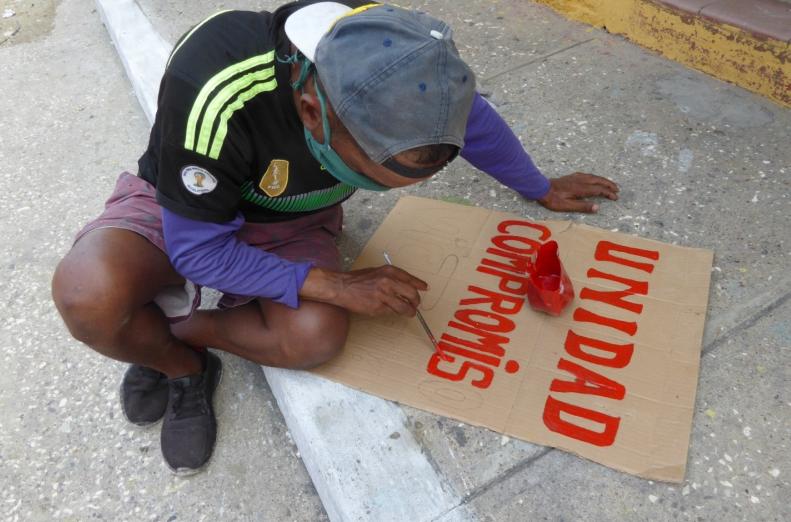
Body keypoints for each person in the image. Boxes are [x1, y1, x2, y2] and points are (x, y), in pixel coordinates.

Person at [52, 0, 619, 475]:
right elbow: (198, 249)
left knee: (314, 339)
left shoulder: (409, 73)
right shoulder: (214, 82)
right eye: (366, 175)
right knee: (90, 298)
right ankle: (183, 368)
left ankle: (172, 326)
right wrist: (335, 284)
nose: (362, 187)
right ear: (309, 112)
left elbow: (479, 125)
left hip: (292, 220)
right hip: (184, 211)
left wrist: (538, 186)